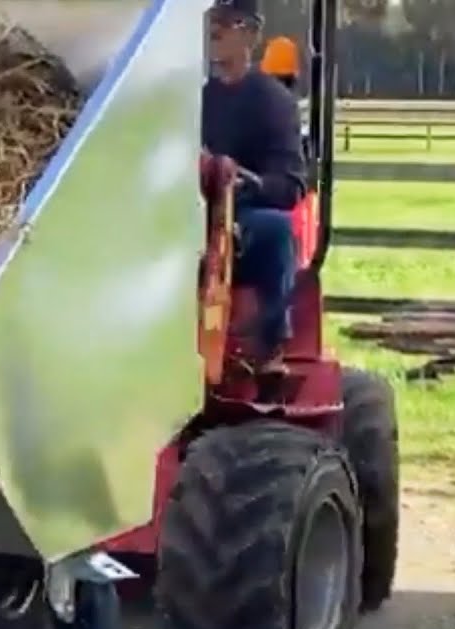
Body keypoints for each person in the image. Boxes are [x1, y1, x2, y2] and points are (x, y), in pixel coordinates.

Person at [202, 0, 306, 374]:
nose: (215, 29)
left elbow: (289, 186)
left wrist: (241, 179)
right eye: (212, 19)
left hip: (239, 215)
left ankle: (269, 349)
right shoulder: (193, 97)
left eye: (227, 22)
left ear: (251, 34)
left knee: (275, 229)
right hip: (182, 209)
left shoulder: (274, 102)